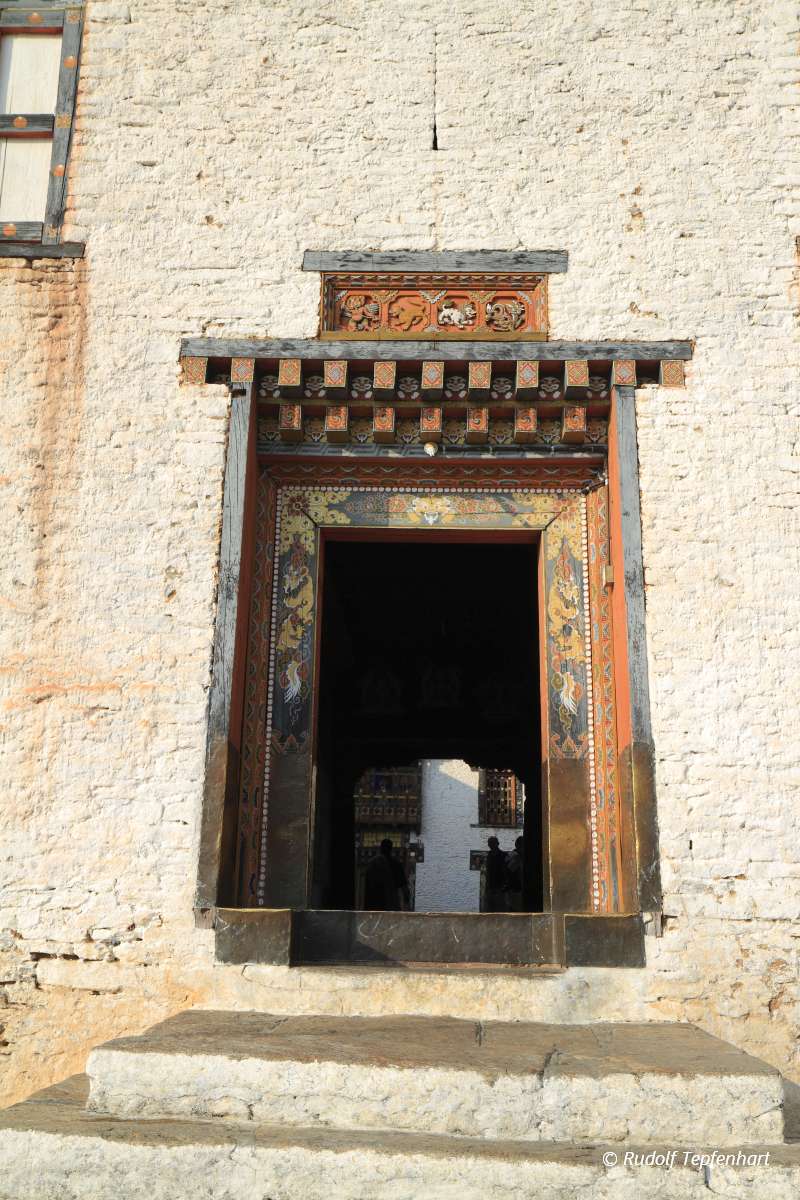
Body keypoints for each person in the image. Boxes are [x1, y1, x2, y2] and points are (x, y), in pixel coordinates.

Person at [364, 838, 410, 911]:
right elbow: (404, 886)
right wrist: (407, 901)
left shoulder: (372, 863)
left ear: (380, 848)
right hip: (390, 902)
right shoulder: (396, 864)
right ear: (391, 849)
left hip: (373, 903)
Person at [484, 836, 508, 912]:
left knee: (499, 909)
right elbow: (488, 872)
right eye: (489, 843)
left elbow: (506, 872)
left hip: (500, 888)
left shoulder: (503, 856)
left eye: (491, 843)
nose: (490, 845)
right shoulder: (489, 855)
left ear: (497, 844)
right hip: (490, 887)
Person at [506, 836, 524, 911]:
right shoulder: (515, 857)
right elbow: (511, 872)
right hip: (516, 890)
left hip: (515, 890)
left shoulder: (512, 855)